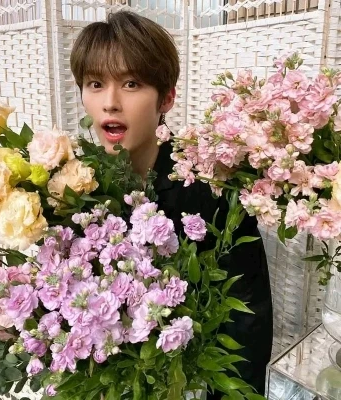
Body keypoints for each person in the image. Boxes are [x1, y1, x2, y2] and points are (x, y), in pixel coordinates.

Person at [70, 11, 273, 396]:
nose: (109, 103)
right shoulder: (79, 187)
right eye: (95, 84)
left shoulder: (211, 188)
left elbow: (248, 322)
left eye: (131, 83)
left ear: (166, 97)